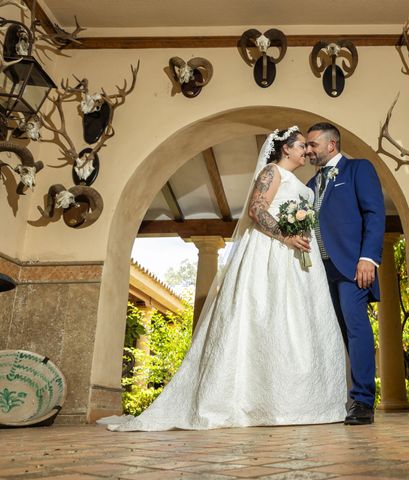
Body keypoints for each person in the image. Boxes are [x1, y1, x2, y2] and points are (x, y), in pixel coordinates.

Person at [99, 126, 347, 431]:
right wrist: (286, 236)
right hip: (273, 251)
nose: (306, 152)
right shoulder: (271, 172)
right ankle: (256, 402)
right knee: (267, 316)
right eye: (301, 147)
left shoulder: (302, 181)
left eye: (308, 148)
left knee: (299, 321)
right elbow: (257, 210)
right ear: (286, 149)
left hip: (300, 260)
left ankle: (303, 402)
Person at [305, 123, 385, 425]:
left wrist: (368, 258)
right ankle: (332, 399)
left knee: (356, 328)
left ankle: (363, 401)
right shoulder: (311, 186)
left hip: (352, 266)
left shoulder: (357, 170)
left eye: (313, 144)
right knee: (332, 334)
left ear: (331, 144)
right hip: (320, 270)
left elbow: (374, 214)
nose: (309, 150)